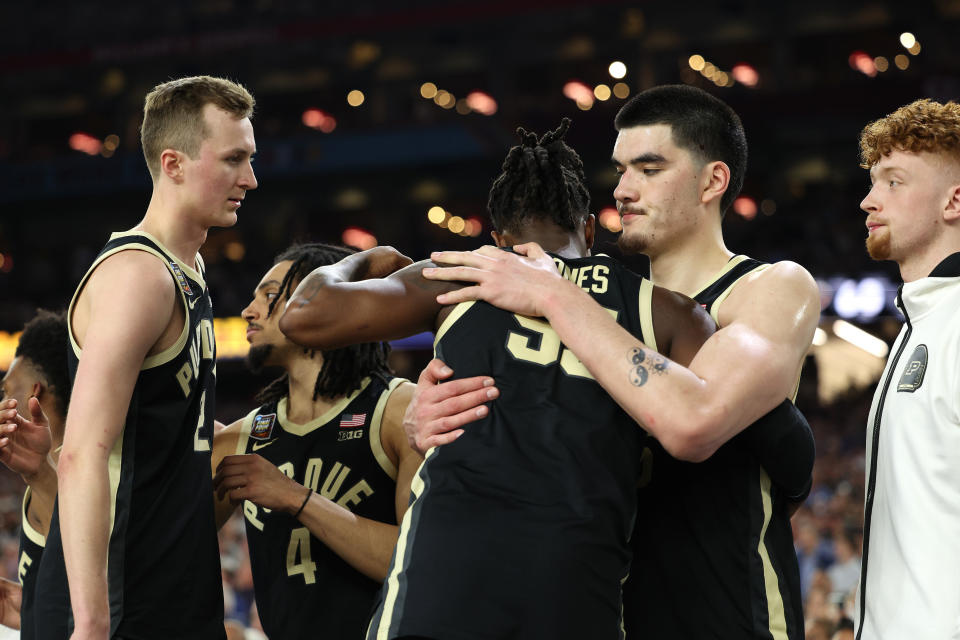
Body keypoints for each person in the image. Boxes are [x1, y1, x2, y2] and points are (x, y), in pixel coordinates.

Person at [280, 120, 733, 639]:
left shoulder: (462, 274)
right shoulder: (669, 312)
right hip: (575, 592)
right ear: (588, 230)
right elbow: (709, 465)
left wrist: (369, 258)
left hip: (440, 586)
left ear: (498, 240)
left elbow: (304, 314)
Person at [420, 85, 820, 639]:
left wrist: (555, 295)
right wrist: (427, 412)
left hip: (727, 617)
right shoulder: (607, 304)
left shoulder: (769, 286)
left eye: (649, 168)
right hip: (606, 615)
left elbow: (691, 421)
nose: (624, 190)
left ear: (713, 181)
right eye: (621, 169)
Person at [35, 75, 257, 640]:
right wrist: (89, 624)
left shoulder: (191, 272)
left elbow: (172, 436)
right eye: (233, 160)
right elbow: (83, 453)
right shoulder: (139, 277)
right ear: (174, 163)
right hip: (119, 598)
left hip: (172, 586)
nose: (250, 179)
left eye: (249, 159)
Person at [210, 242, 422, 639]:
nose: (248, 311)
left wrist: (296, 498)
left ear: (325, 302)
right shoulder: (242, 437)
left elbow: (419, 562)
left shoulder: (397, 409)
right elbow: (163, 547)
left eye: (270, 296)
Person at [854, 98, 960, 639]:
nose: (870, 200)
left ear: (955, 201)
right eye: (873, 182)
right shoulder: (923, 319)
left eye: (894, 181)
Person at [0, 310, 70, 638]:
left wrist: (41, 474)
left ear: (34, 393)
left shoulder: (75, 474)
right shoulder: (39, 479)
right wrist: (28, 607)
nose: (1, 399)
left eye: (6, 390)